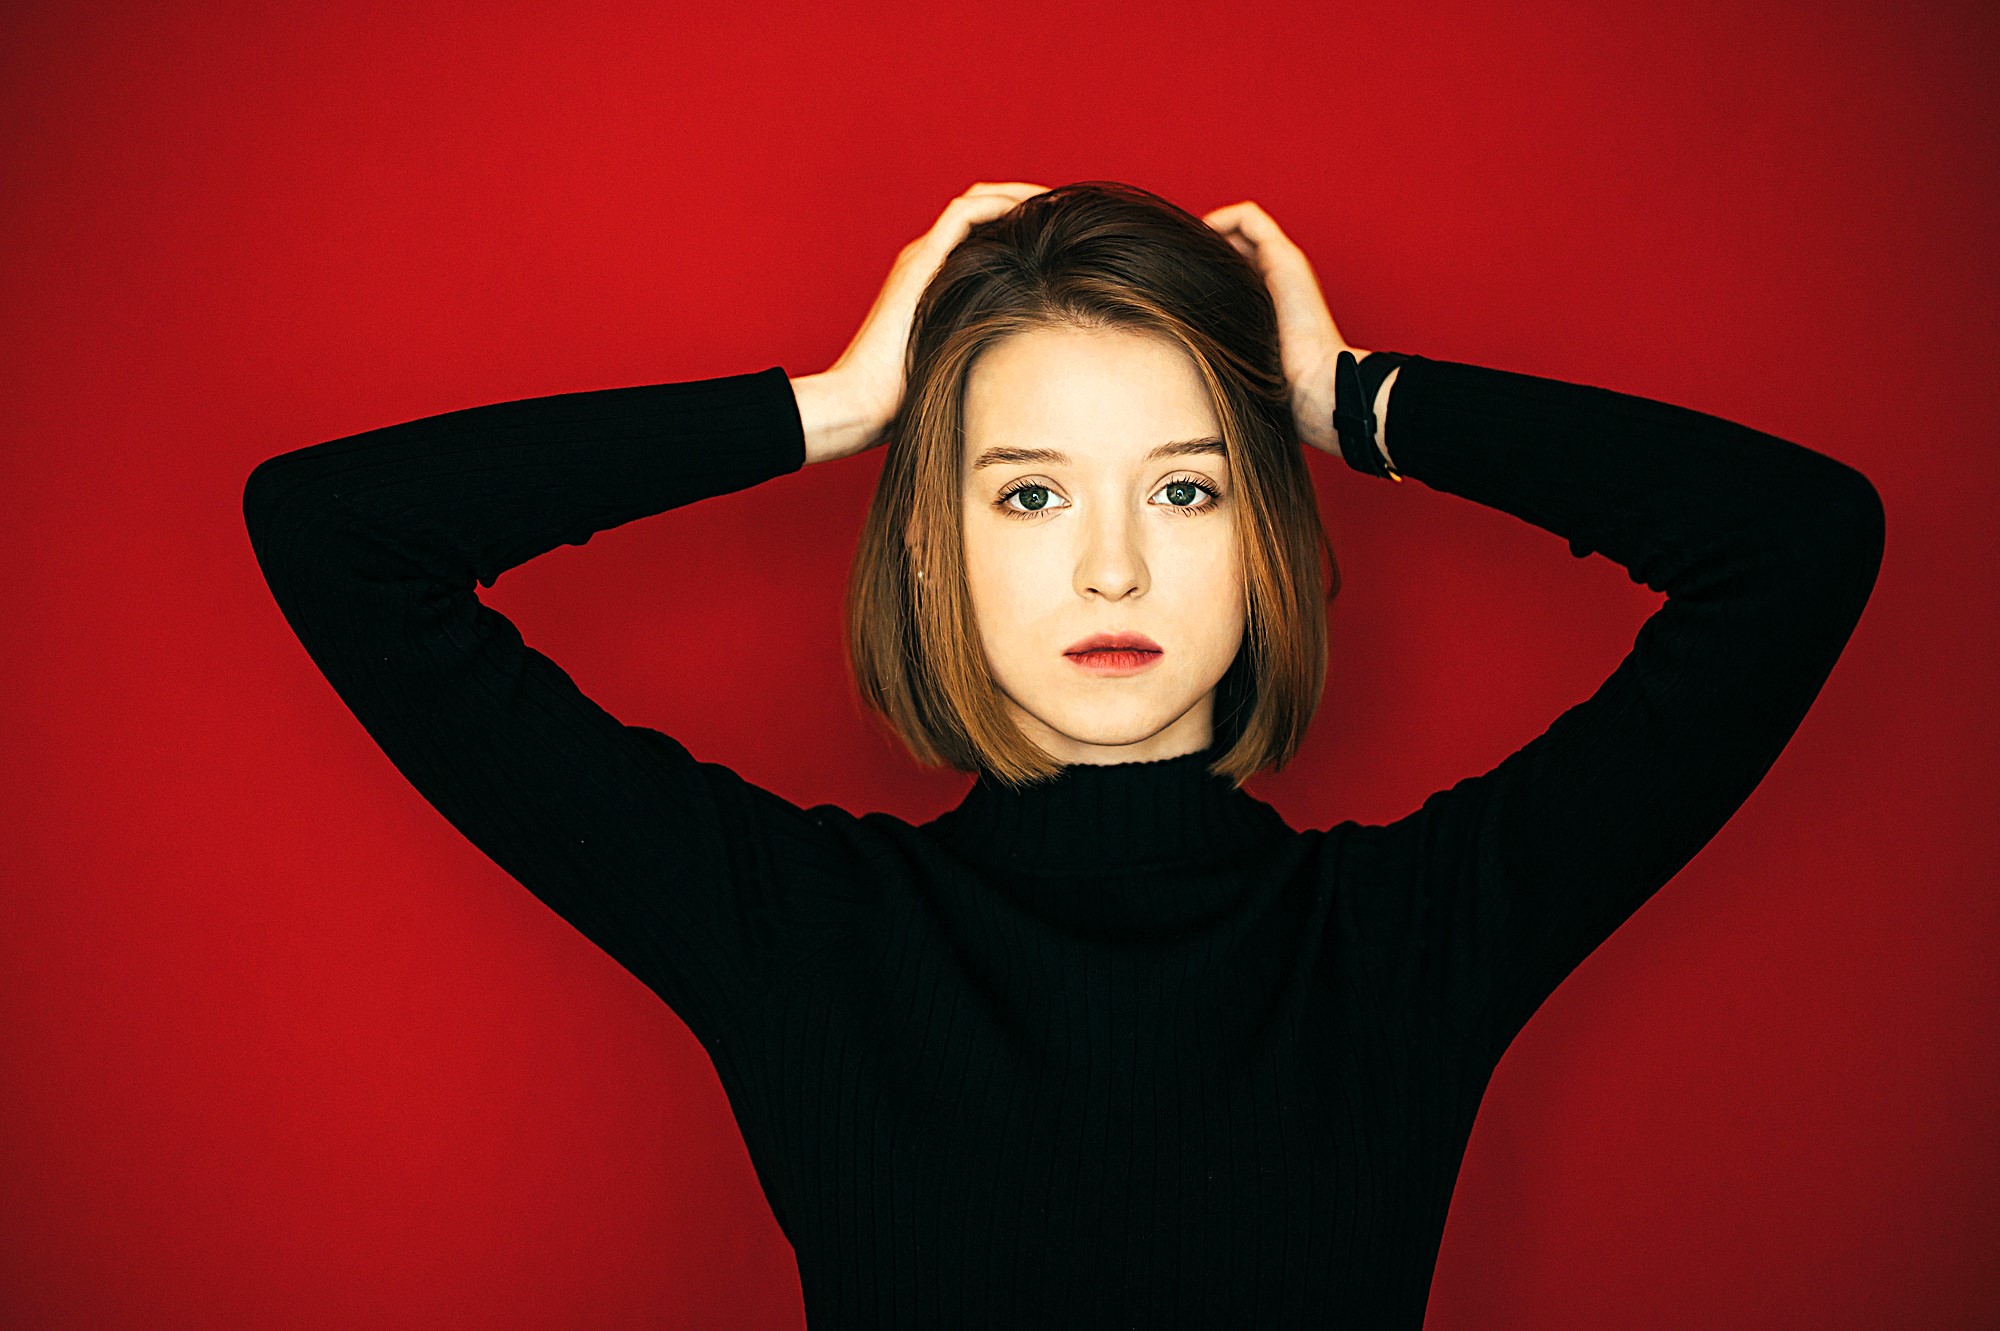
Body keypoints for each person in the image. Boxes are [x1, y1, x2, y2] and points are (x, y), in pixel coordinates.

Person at [242, 180, 1885, 1328]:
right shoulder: (801, 934)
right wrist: (831, 406)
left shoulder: (1405, 944)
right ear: (932, 548)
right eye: (1028, 491)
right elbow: (334, 536)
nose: (1114, 569)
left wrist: (1351, 397)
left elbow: (1800, 541)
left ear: (1263, 541)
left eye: (1186, 488)